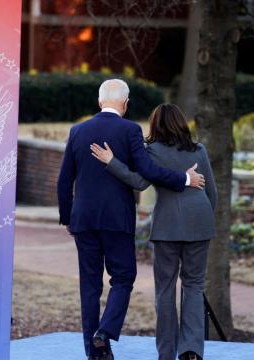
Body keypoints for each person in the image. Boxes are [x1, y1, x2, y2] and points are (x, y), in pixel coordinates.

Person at [57, 80, 206, 360]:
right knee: (123, 278)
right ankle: (105, 332)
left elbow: (64, 180)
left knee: (89, 286)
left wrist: (67, 216)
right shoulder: (130, 130)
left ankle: (95, 352)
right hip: (117, 220)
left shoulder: (77, 131)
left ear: (100, 101)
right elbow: (147, 171)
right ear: (125, 104)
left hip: (84, 220)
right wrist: (184, 178)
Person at [90, 103, 217, 360]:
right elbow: (212, 193)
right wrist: (201, 219)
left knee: (165, 290)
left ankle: (166, 354)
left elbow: (139, 182)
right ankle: (192, 351)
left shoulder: (152, 152)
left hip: (167, 227)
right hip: (200, 223)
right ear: (182, 124)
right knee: (193, 286)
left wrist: (111, 162)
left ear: (155, 126)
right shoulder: (199, 150)